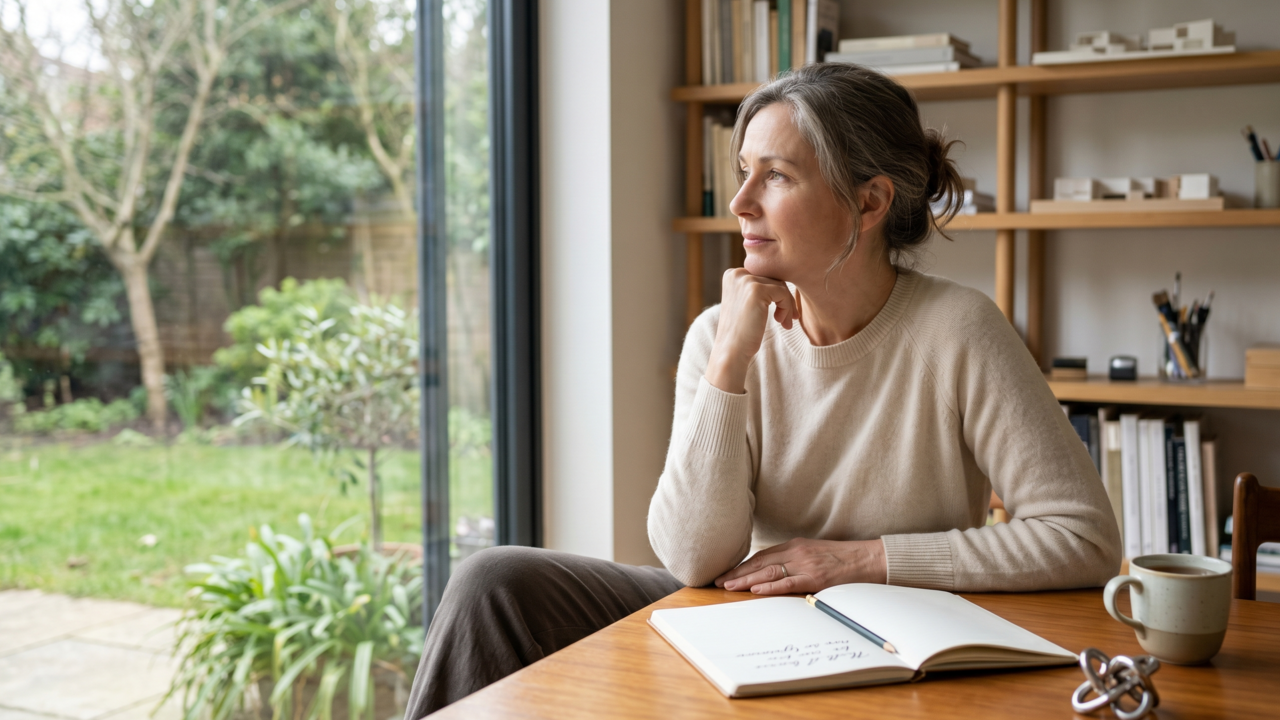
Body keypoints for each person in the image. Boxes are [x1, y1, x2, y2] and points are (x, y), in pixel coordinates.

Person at [403, 63, 1121, 718]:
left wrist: (858, 560)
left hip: (895, 638)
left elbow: (1084, 538)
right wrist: (730, 360)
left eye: (775, 176)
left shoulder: (959, 329)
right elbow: (691, 559)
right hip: (746, 617)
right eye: (744, 172)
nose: (741, 202)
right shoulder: (721, 331)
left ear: (869, 203)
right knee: (492, 582)